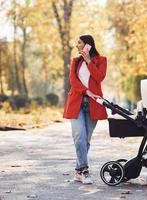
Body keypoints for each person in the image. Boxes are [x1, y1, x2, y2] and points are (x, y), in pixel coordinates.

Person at [63, 34, 108, 184]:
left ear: (88, 45)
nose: (77, 45)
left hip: (93, 104)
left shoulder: (101, 60)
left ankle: (78, 171)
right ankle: (84, 170)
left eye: (79, 43)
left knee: (86, 140)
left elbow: (99, 77)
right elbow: (73, 81)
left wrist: (89, 60)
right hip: (76, 102)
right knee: (79, 136)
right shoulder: (75, 62)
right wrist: (86, 91)